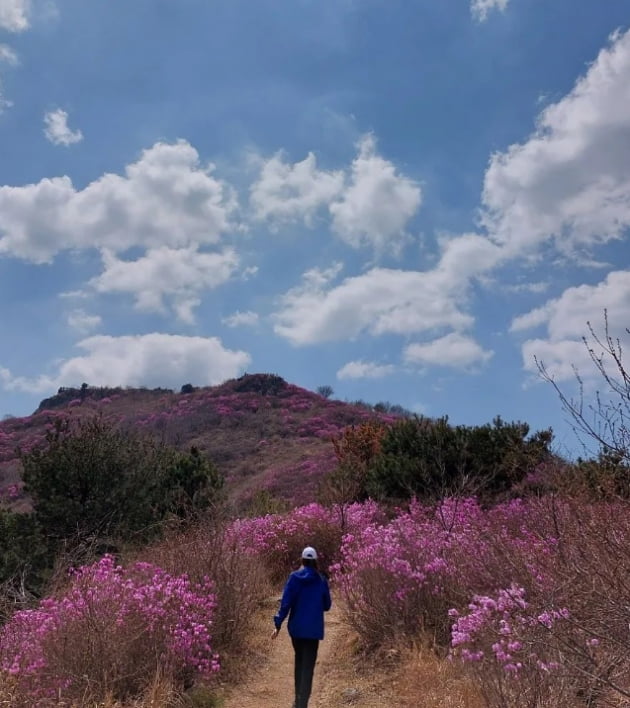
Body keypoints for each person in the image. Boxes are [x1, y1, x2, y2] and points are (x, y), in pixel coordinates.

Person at [272, 546, 332, 708]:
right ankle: (302, 703)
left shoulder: (294, 578)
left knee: (299, 661)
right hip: (313, 631)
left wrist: (277, 624)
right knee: (308, 666)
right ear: (315, 561)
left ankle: (298, 700)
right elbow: (327, 605)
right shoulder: (321, 580)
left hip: (296, 630)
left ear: (302, 560)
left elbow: (286, 603)